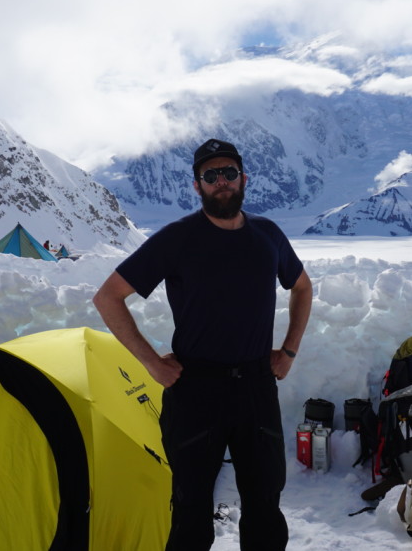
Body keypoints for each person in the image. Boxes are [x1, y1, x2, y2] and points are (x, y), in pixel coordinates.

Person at [93, 138, 313, 551]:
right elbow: (108, 297)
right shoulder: (176, 239)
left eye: (228, 172)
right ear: (197, 186)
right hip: (195, 390)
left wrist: (288, 351)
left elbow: (302, 287)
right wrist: (151, 364)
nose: (221, 181)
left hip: (255, 386)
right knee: (190, 508)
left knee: (265, 504)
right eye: (210, 175)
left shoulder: (267, 235)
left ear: (243, 179)